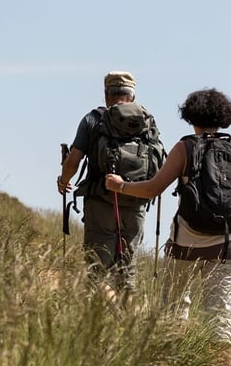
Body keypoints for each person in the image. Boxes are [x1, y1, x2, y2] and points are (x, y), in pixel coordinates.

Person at [104, 88, 231, 366]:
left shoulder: (185, 148)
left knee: (172, 305)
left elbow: (152, 189)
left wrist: (119, 185)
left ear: (191, 115)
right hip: (228, 245)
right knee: (221, 312)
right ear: (224, 117)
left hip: (185, 243)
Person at [58, 71, 161, 303]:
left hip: (101, 203)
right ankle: (133, 326)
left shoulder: (93, 119)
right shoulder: (147, 121)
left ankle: (102, 323)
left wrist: (64, 181)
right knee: (128, 275)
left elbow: (73, 161)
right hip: (136, 205)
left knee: (97, 272)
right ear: (132, 97)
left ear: (106, 95)